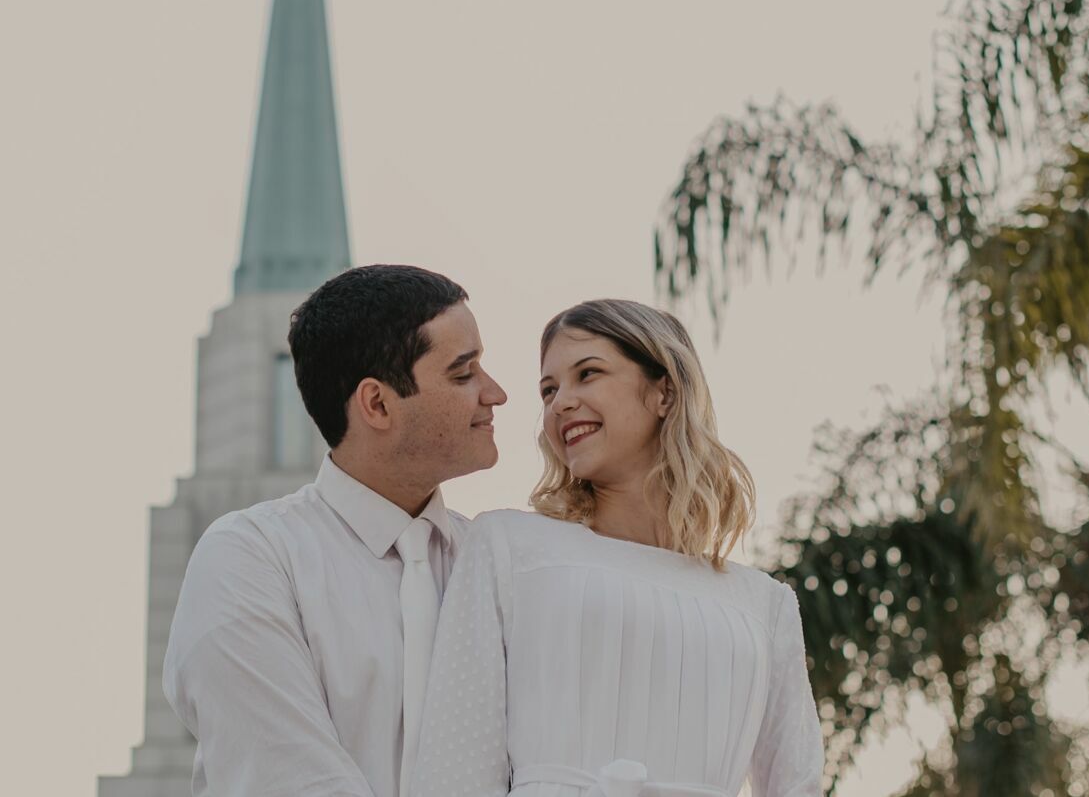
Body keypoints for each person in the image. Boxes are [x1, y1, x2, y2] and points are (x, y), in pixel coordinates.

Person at [409, 299, 824, 797]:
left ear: (663, 391)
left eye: (588, 373)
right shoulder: (508, 545)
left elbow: (796, 786)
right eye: (548, 390)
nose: (560, 402)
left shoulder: (764, 605)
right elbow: (454, 769)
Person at [163, 263, 509, 797]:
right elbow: (287, 780)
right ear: (377, 403)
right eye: (463, 374)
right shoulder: (251, 559)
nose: (495, 393)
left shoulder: (498, 563)